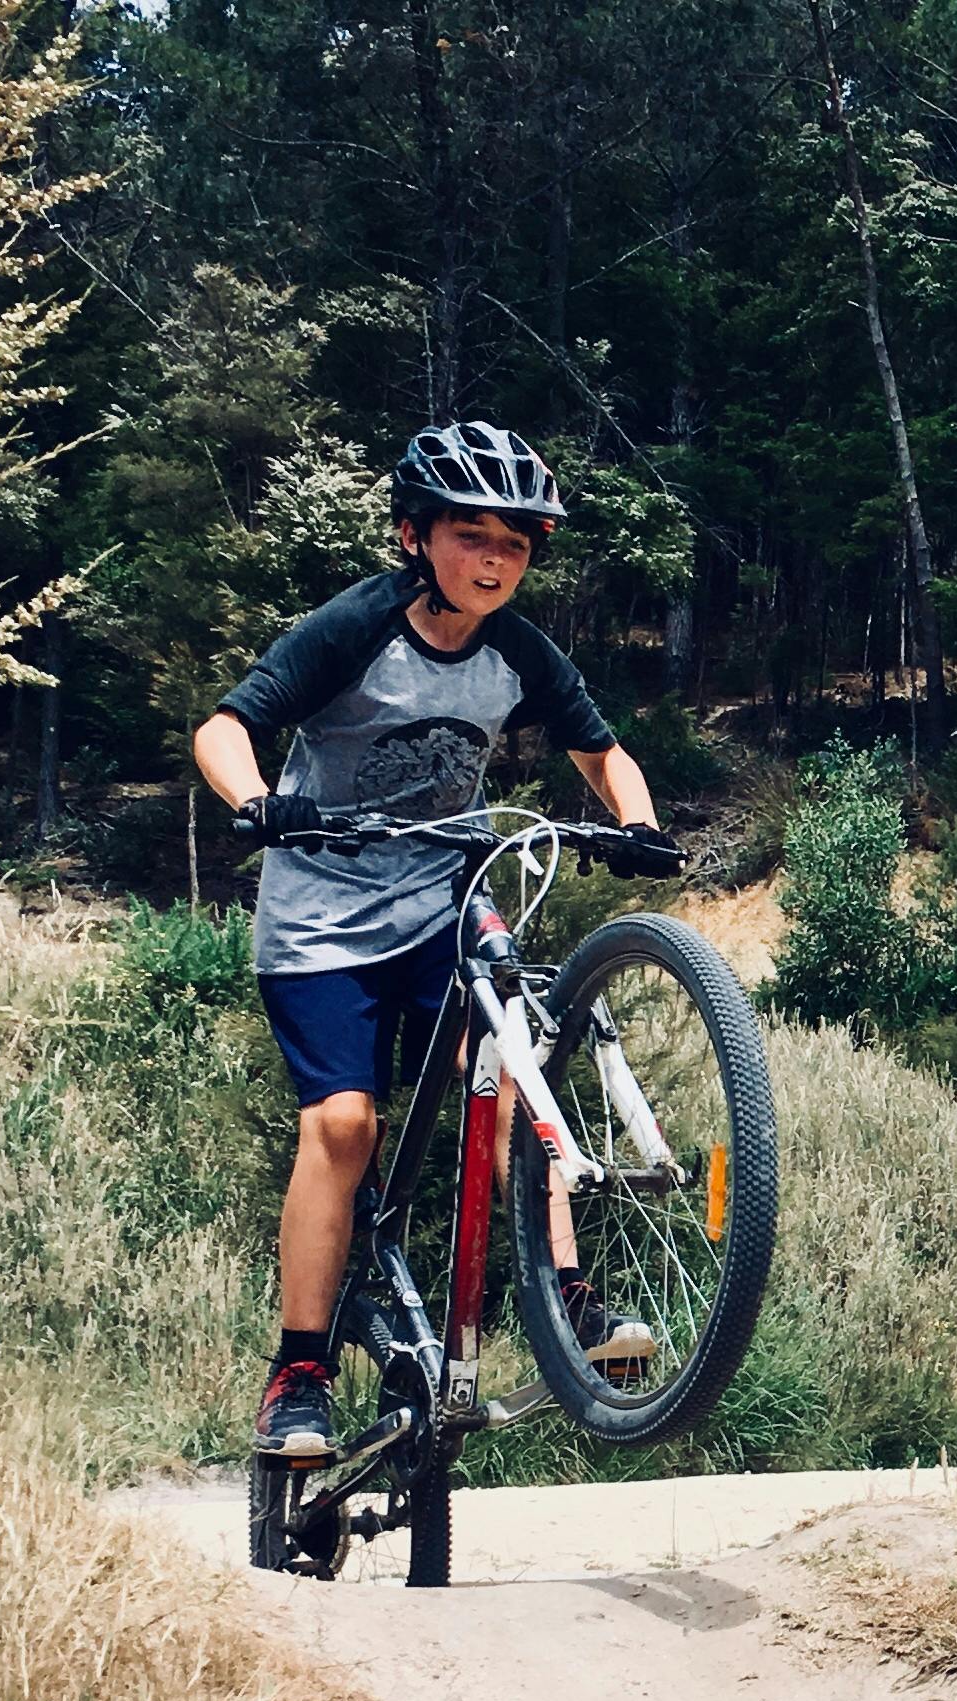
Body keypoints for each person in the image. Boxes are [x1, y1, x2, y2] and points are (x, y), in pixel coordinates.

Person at [192, 421, 687, 1460]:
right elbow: (225, 727)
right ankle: (300, 1371)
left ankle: (571, 1302)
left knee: (509, 1086)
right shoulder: (358, 625)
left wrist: (637, 826)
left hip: (439, 905)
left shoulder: (519, 652)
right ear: (415, 536)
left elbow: (603, 753)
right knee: (341, 1127)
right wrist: (254, 803)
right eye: (471, 535)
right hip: (321, 918)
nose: (495, 559)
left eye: (515, 541)